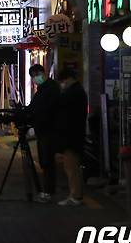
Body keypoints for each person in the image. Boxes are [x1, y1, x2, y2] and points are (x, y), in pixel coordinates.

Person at [26, 64, 61, 203]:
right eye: (33, 77)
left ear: (42, 73)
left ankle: (48, 192)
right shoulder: (42, 89)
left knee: (47, 162)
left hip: (48, 131)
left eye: (36, 75)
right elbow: (35, 107)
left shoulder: (51, 88)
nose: (35, 79)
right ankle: (47, 191)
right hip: (43, 131)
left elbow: (46, 110)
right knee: (45, 161)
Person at [56, 69, 88, 206]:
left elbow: (63, 110)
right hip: (76, 134)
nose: (62, 84)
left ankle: (75, 196)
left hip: (72, 135)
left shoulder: (73, 93)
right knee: (72, 166)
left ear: (68, 79)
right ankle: (75, 194)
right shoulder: (79, 91)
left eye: (63, 82)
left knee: (71, 166)